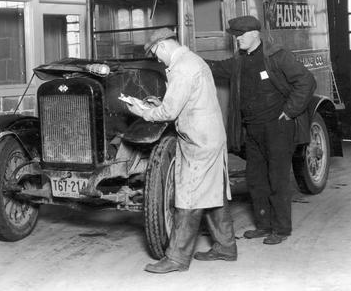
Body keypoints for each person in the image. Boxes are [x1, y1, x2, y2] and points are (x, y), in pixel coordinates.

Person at [126, 28, 237, 274]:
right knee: (213, 191)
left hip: (199, 140)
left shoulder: (182, 67)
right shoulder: (192, 60)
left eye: (155, 52)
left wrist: (141, 111)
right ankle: (226, 246)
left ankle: (176, 258)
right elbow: (184, 101)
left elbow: (168, 113)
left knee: (188, 197)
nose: (156, 58)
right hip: (210, 135)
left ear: (163, 45)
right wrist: (160, 103)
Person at [208, 15, 316, 245]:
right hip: (253, 130)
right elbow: (214, 68)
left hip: (277, 128)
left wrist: (289, 111)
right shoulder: (239, 61)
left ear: (255, 34)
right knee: (256, 179)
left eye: (241, 35)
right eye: (236, 35)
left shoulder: (277, 56)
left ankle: (282, 229)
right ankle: (264, 225)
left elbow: (306, 82)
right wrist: (185, 59)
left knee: (277, 178)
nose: (237, 39)